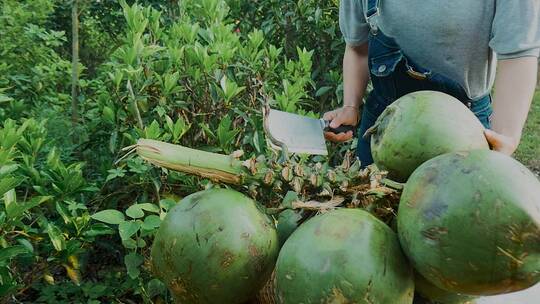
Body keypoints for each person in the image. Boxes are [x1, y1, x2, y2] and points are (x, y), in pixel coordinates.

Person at [324, 0, 540, 167]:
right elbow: (357, 48)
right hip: (383, 122)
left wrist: (504, 137)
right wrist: (350, 106)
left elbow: (517, 53)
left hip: (463, 131)